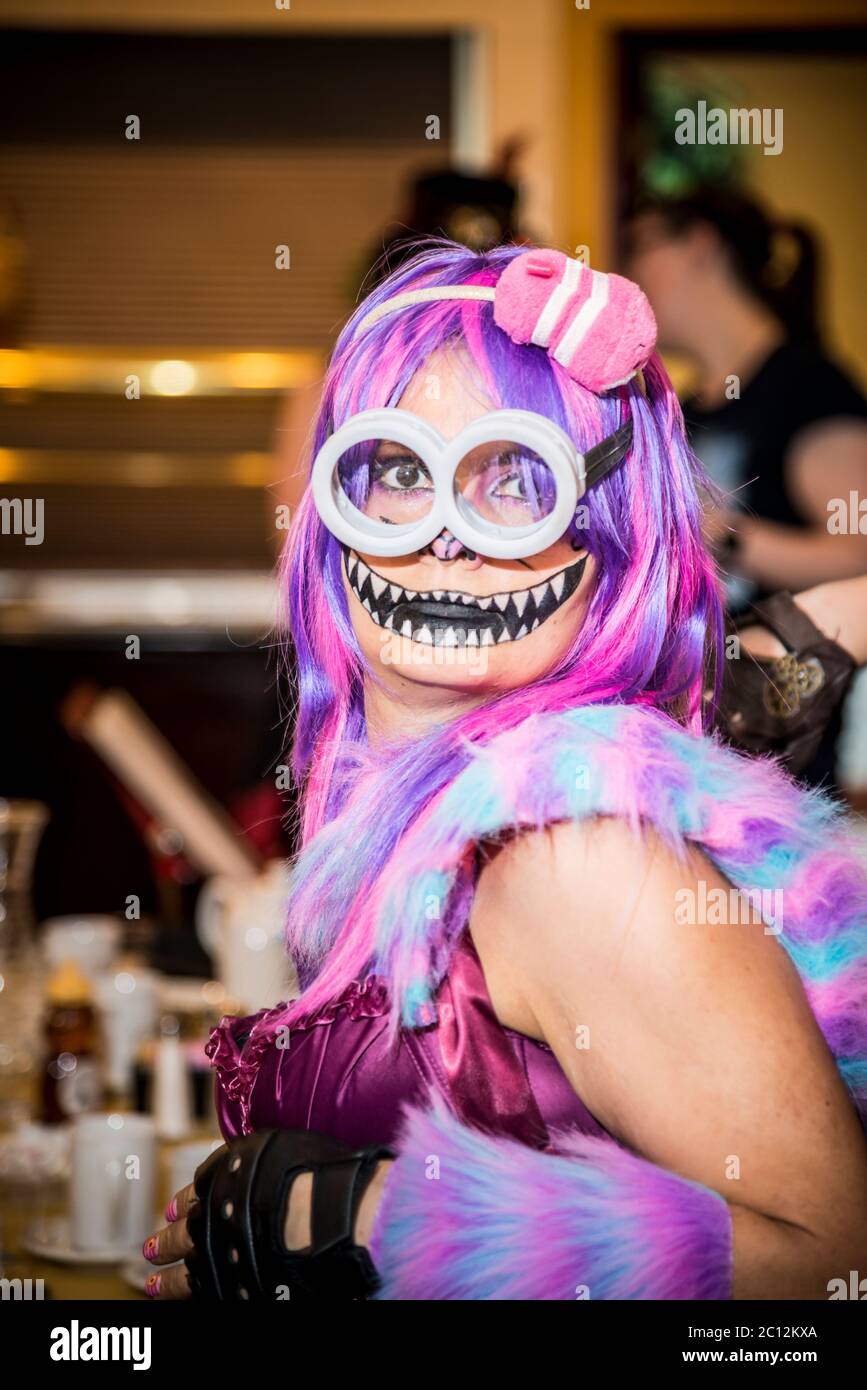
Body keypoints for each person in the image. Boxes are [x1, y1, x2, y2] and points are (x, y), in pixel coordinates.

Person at [142, 242, 867, 1301]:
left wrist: (388, 1221)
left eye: (517, 478)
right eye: (397, 471)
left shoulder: (570, 854)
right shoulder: (412, 818)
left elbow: (838, 1267)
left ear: (610, 532)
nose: (445, 537)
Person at [625, 188, 867, 786]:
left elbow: (859, 548)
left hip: (783, 740)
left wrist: (724, 536)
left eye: (642, 247)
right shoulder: (681, 407)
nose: (629, 269)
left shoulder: (805, 384)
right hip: (696, 723)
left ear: (700, 246)